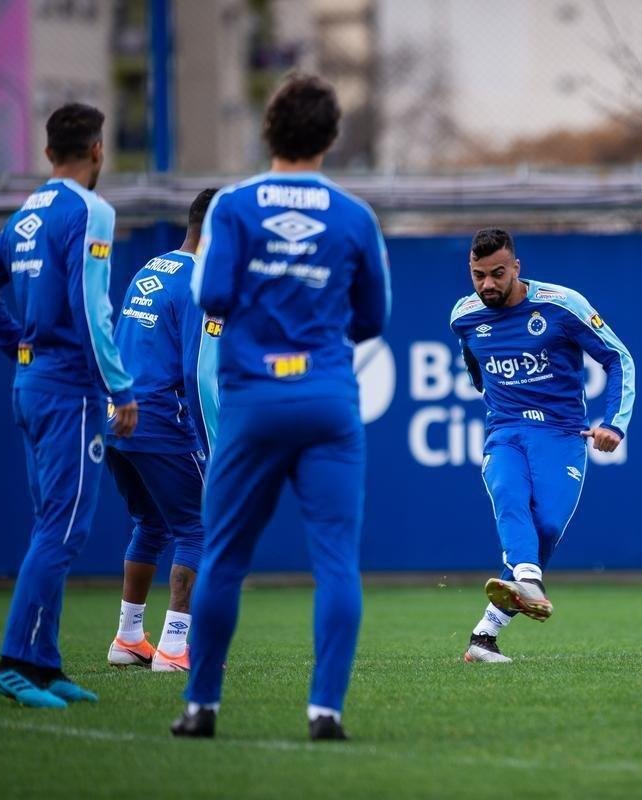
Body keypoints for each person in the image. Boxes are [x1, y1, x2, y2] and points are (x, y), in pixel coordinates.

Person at [172, 74, 390, 740]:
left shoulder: (232, 208)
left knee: (226, 560)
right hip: (326, 401)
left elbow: (208, 294)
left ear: (268, 131)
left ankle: (202, 705)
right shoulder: (355, 216)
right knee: (335, 563)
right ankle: (325, 710)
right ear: (330, 137)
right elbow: (374, 317)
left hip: (254, 400)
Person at [0, 102, 138, 708]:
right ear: (97, 151)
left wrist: (21, 346)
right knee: (63, 530)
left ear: (45, 154)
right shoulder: (91, 210)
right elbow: (91, 307)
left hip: (31, 386)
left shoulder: (26, 213)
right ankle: (12, 663)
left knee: (49, 526)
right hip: (70, 391)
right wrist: (120, 386)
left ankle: (43, 663)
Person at [450, 228, 635, 663]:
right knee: (508, 493)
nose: (487, 284)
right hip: (506, 429)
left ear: (516, 267)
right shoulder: (464, 314)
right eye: (478, 275)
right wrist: (491, 393)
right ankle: (529, 578)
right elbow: (473, 360)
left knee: (547, 525)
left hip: (561, 434)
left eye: (497, 273)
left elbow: (618, 358)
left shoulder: (562, 305)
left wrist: (615, 424)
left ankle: (484, 637)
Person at [105, 189, 221, 673]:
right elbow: (197, 370)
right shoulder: (200, 281)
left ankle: (129, 637)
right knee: (199, 529)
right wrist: (212, 445)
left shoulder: (153, 267)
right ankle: (175, 648)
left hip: (116, 417)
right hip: (161, 420)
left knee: (151, 524)